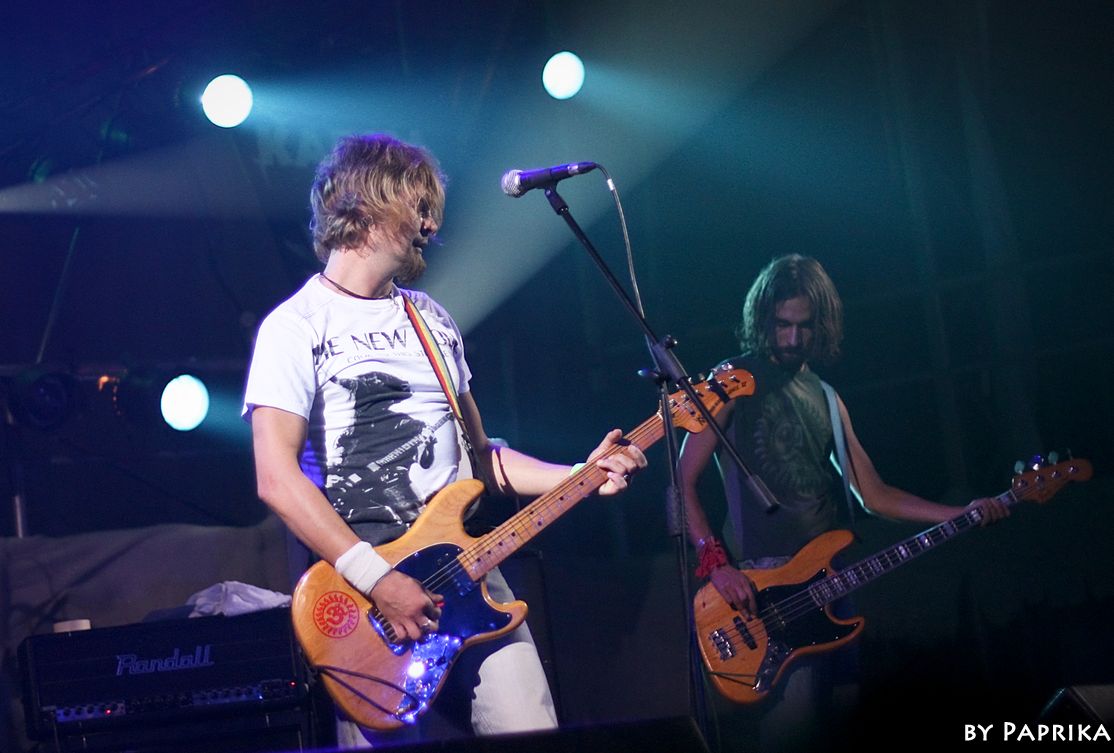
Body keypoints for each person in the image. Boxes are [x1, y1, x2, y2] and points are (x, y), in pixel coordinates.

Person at [242, 133, 646, 746]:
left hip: (470, 572)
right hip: (365, 594)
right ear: (367, 206)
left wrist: (579, 475)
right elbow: (276, 477)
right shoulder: (294, 327)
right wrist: (380, 581)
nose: (431, 225)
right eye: (418, 208)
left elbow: (482, 459)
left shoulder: (431, 320)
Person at [678, 254, 1008, 752]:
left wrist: (961, 513)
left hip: (832, 581)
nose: (792, 339)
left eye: (804, 326)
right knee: (793, 732)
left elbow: (874, 494)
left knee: (839, 719)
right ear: (763, 320)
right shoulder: (732, 384)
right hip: (764, 589)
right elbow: (680, 481)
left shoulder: (828, 398)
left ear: (822, 325)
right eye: (782, 325)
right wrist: (715, 563)